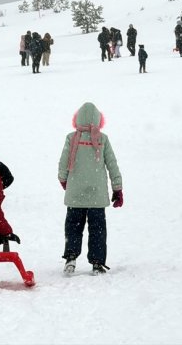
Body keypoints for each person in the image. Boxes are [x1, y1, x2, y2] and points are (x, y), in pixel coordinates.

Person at [58, 102, 122, 275]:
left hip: (75, 193)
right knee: (97, 229)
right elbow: (112, 164)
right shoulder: (102, 139)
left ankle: (71, 258)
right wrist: (117, 188)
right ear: (99, 120)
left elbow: (63, 163)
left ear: (77, 119)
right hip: (97, 194)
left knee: (73, 227)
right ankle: (97, 262)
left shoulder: (71, 138)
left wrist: (64, 180)